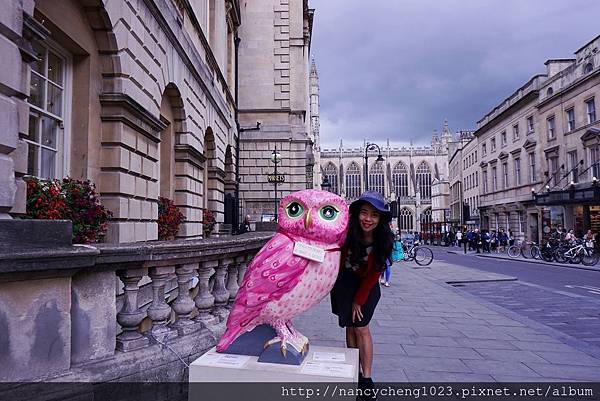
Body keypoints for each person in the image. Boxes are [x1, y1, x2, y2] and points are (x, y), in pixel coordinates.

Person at [330, 191, 393, 393]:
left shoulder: (383, 239)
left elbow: (374, 274)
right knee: (350, 326)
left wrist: (359, 300)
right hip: (344, 285)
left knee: (362, 328)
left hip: (366, 287)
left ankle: (366, 379)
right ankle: (354, 373)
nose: (368, 219)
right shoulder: (347, 232)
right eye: (364, 213)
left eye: (374, 215)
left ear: (380, 218)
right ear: (357, 213)